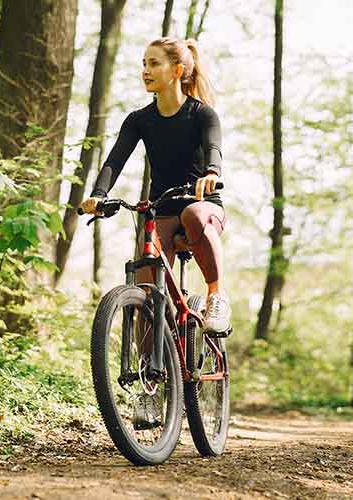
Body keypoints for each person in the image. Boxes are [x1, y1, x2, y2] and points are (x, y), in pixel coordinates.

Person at [80, 37, 230, 429]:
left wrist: (211, 175)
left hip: (201, 205)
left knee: (197, 216)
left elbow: (213, 151)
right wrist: (98, 195)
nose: (145, 70)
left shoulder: (202, 115)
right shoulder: (139, 120)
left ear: (177, 71)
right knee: (147, 293)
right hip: (161, 208)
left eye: (154, 63)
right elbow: (115, 160)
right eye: (143, 63)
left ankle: (216, 298)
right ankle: (151, 387)